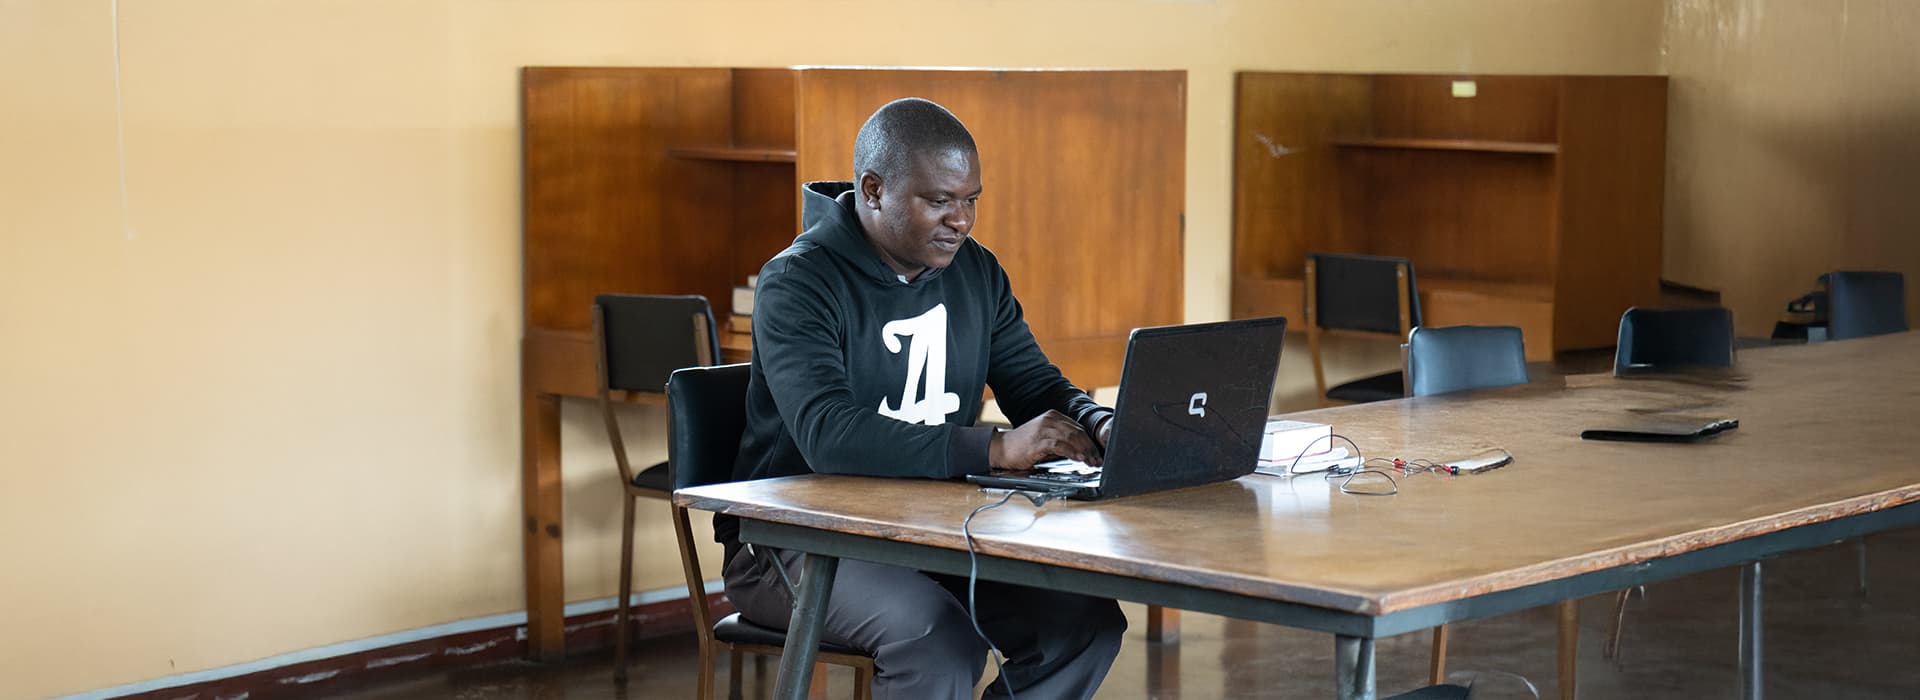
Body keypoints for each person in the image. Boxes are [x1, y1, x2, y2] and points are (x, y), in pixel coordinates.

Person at [713, 97, 1127, 700]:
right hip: (796, 542)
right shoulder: (797, 281)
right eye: (939, 201)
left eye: (971, 200)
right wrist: (995, 448)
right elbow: (828, 433)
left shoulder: (976, 271)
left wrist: (1102, 422)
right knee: (937, 641)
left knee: (1083, 625)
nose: (961, 220)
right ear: (874, 191)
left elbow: (1034, 385)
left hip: (932, 528)